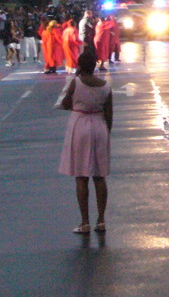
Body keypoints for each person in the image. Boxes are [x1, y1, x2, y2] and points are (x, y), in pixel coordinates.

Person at [58, 50, 113, 235]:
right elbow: (109, 114)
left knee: (81, 176)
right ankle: (101, 220)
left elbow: (65, 103)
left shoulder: (76, 82)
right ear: (95, 64)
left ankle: (85, 221)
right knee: (99, 176)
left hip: (80, 125)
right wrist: (106, 132)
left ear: (80, 65)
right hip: (99, 125)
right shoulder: (105, 86)